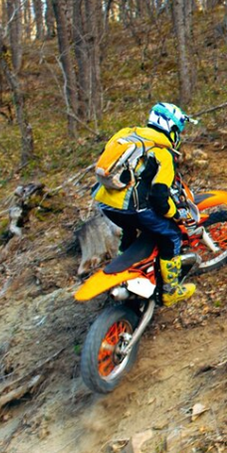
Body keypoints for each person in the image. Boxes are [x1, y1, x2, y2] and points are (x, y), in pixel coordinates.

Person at [93, 102, 198, 306]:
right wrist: (174, 213)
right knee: (172, 236)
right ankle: (171, 291)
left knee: (130, 231)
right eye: (177, 130)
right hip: (132, 209)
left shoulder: (127, 134)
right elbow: (159, 195)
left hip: (106, 204)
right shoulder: (162, 152)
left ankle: (127, 268)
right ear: (171, 129)